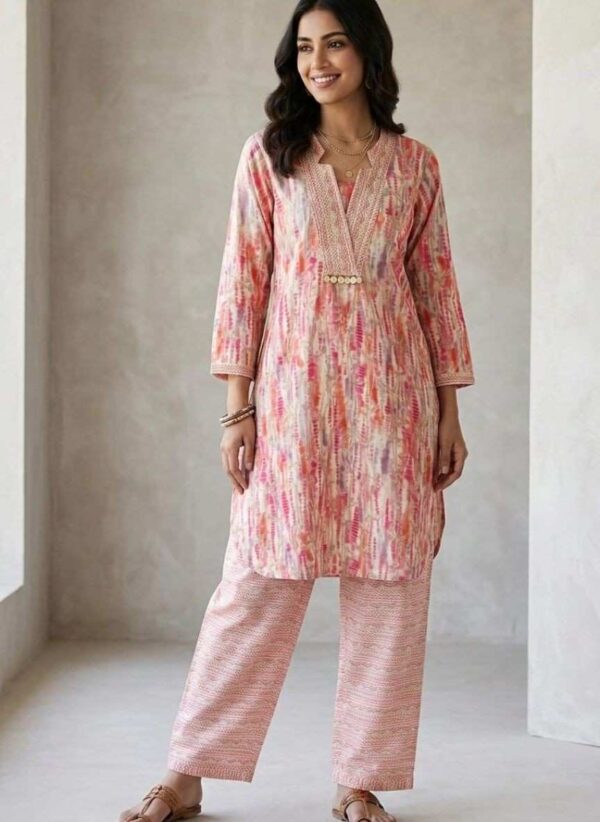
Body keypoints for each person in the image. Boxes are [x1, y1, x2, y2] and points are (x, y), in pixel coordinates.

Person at [119, 0, 475, 820]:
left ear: (368, 51)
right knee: (253, 587)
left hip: (392, 408)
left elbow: (437, 290)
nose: (319, 62)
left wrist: (448, 412)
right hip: (291, 407)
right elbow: (242, 282)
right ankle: (187, 772)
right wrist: (237, 410)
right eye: (306, 48)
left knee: (391, 588)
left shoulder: (415, 167)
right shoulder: (269, 158)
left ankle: (360, 780)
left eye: (336, 43)